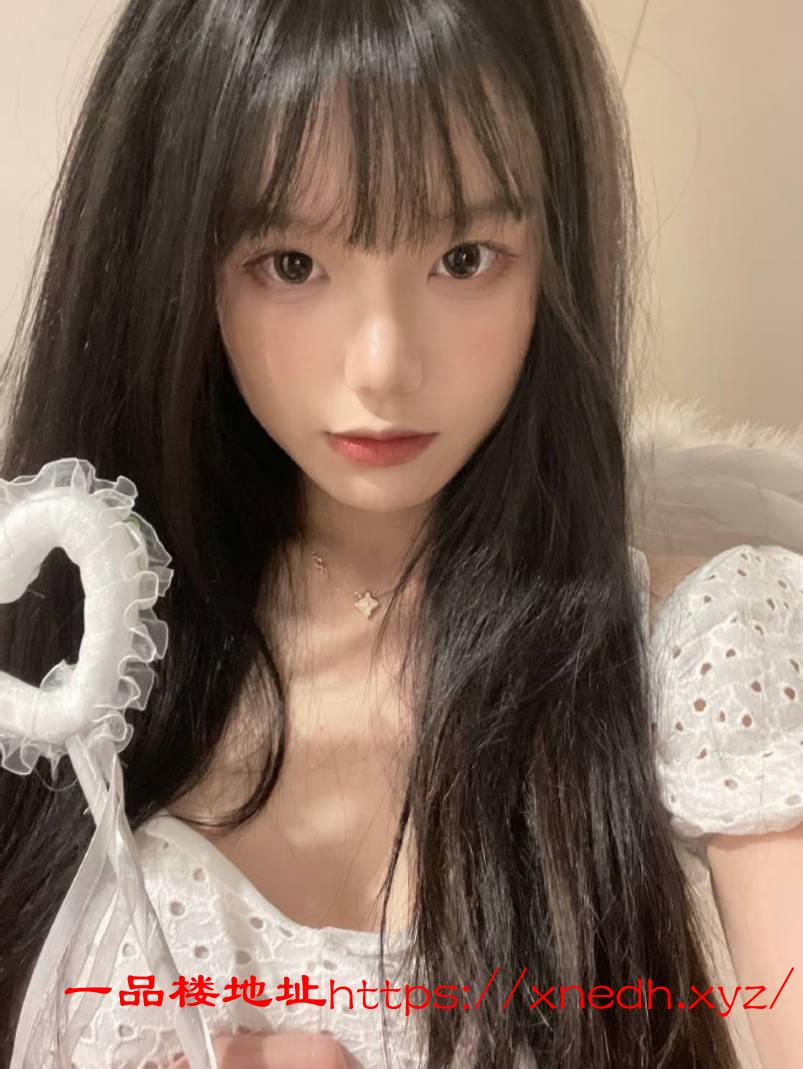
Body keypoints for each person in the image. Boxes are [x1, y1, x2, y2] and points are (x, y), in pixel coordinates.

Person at [0, 0, 801, 1066]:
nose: (382, 363)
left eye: (464, 257)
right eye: (290, 263)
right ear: (175, 260)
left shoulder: (704, 651)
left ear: (551, 253)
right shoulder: (62, 655)